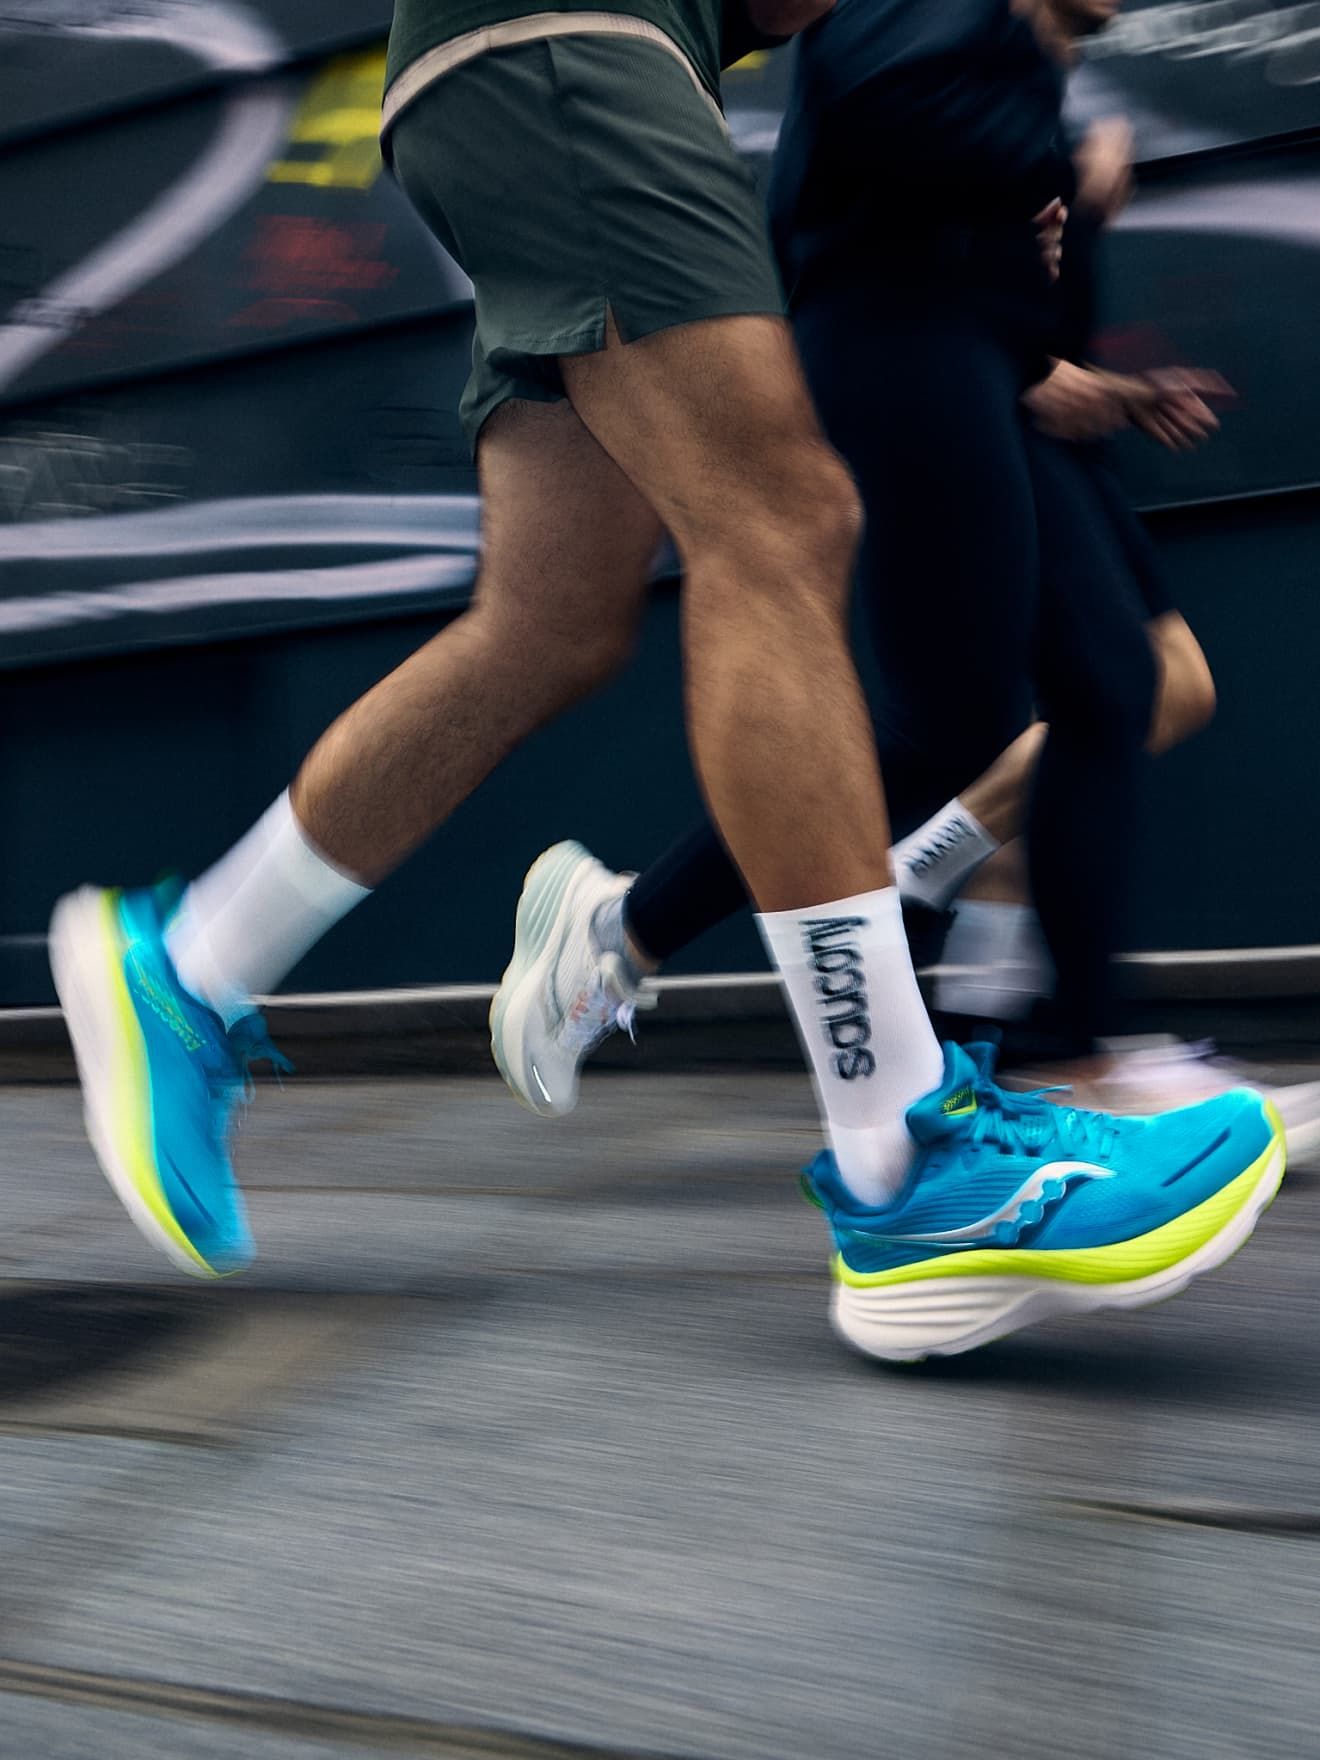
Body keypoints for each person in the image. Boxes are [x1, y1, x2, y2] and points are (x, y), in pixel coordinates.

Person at [50, 0, 1282, 1364]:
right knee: (780, 518)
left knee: (553, 620)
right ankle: (904, 1158)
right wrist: (1019, 165)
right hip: (576, 47)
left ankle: (198, 961)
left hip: (541, 73)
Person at [493, 0, 1320, 1163]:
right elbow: (873, 134)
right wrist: (1059, 179)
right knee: (959, 719)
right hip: (897, 355)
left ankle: (1077, 1052)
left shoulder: (1017, 55)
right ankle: (634, 926)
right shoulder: (951, 20)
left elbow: (1006, 268)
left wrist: (1066, 254)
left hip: (973, 368)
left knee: (1107, 683)